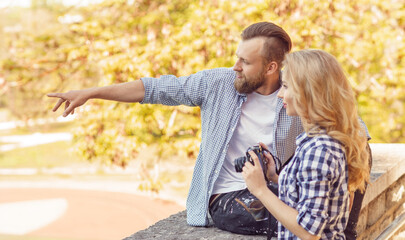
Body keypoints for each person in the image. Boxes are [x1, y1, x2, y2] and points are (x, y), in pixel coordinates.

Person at [48, 22, 368, 237]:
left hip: (271, 184)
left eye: (245, 61)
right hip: (227, 196)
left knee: (352, 162)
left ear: (272, 68)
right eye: (236, 58)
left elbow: (352, 129)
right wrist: (91, 92)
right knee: (300, 219)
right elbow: (155, 88)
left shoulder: (297, 95)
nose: (235, 67)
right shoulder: (219, 83)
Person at [242, 49, 370, 239]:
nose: (280, 95)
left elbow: (309, 232)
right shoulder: (321, 141)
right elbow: (317, 193)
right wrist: (276, 177)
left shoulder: (318, 150)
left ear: (308, 91)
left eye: (286, 86)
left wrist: (259, 189)